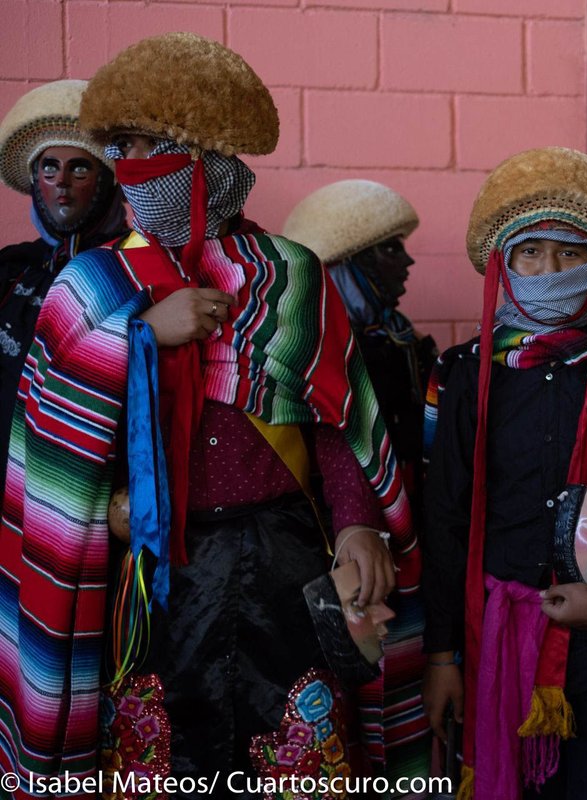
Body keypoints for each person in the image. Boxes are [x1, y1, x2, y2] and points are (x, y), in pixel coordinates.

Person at [0, 33, 421, 795]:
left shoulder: (291, 274)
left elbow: (337, 423)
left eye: (153, 147)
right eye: (123, 147)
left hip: (286, 570)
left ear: (215, 161)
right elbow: (50, 437)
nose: (131, 166)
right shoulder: (91, 285)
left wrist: (359, 520)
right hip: (155, 573)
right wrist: (138, 337)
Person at [420, 146, 587, 799]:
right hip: (497, 633)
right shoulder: (462, 374)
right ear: (505, 263)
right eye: (530, 253)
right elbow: (446, 517)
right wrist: (442, 657)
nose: (549, 269)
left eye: (570, 253)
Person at [0, 79, 126, 487]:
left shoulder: (134, 269)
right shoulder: (13, 268)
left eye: (80, 168)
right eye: (49, 167)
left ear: (107, 181)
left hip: (91, 486)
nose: (62, 183)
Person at [283, 179, 437, 511]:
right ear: (347, 266)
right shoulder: (313, 351)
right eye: (391, 249)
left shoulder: (403, 338)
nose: (408, 263)